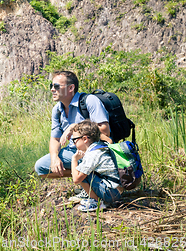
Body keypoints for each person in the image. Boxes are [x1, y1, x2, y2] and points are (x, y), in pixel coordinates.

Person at [34, 71, 112, 199]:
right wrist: (54, 158)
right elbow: (55, 138)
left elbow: (104, 131)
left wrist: (74, 127)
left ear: (71, 88)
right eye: (51, 86)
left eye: (57, 86)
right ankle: (85, 179)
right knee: (41, 168)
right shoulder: (57, 110)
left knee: (82, 161)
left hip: (94, 150)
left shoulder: (89, 101)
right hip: (73, 151)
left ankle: (93, 191)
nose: (53, 89)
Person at [69, 120, 122, 211]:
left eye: (75, 140)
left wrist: (74, 160)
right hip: (116, 190)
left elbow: (76, 179)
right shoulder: (100, 146)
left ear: (85, 139)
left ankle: (96, 202)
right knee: (84, 170)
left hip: (111, 193)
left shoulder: (92, 155)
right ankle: (96, 198)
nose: (74, 143)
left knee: (82, 173)